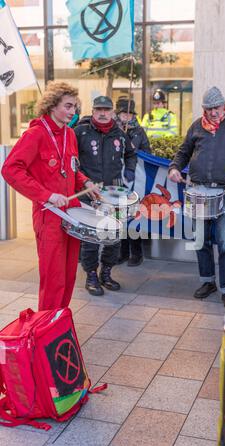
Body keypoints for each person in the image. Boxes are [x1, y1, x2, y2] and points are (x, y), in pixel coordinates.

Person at [1, 81, 98, 310]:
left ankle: (59, 324)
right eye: (67, 106)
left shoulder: (70, 135)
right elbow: (10, 169)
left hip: (72, 213)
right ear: (52, 105)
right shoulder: (35, 134)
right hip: (49, 215)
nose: (73, 111)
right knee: (53, 278)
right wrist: (46, 195)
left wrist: (86, 182)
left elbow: (72, 171)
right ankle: (46, 330)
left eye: (75, 106)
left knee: (68, 277)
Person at [168, 86, 225, 309]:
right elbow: (183, 152)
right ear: (203, 109)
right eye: (208, 109)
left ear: (223, 105)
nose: (213, 113)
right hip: (198, 192)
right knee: (201, 242)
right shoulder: (197, 126)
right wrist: (175, 167)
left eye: (216, 108)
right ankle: (208, 282)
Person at [74, 95, 137, 296]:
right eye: (98, 109)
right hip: (88, 193)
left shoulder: (120, 133)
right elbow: (70, 159)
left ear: (112, 113)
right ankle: (91, 275)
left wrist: (130, 170)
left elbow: (130, 154)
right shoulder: (80, 132)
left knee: (113, 236)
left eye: (106, 110)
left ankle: (106, 273)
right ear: (93, 111)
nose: (102, 113)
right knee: (91, 238)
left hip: (114, 194)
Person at [115, 96, 151, 266]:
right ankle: (122, 252)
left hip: (134, 179)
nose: (127, 117)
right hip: (116, 179)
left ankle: (137, 253)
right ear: (118, 114)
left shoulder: (139, 131)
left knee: (134, 215)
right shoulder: (112, 130)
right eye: (124, 113)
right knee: (119, 216)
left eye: (130, 114)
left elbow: (147, 152)